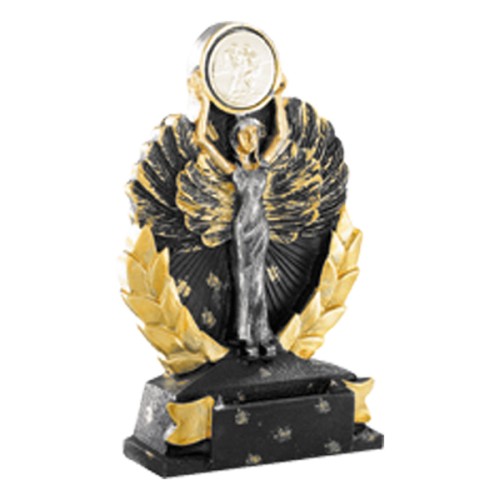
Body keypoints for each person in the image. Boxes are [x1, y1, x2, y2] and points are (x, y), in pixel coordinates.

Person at [189, 70, 288, 358]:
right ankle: (246, 335)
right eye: (245, 133)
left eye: (255, 133)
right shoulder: (236, 171)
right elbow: (202, 139)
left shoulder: (263, 165)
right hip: (243, 225)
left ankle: (263, 332)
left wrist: (278, 98)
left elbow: (282, 135)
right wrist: (204, 102)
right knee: (245, 279)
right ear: (235, 140)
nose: (251, 138)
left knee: (258, 279)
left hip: (260, 226)